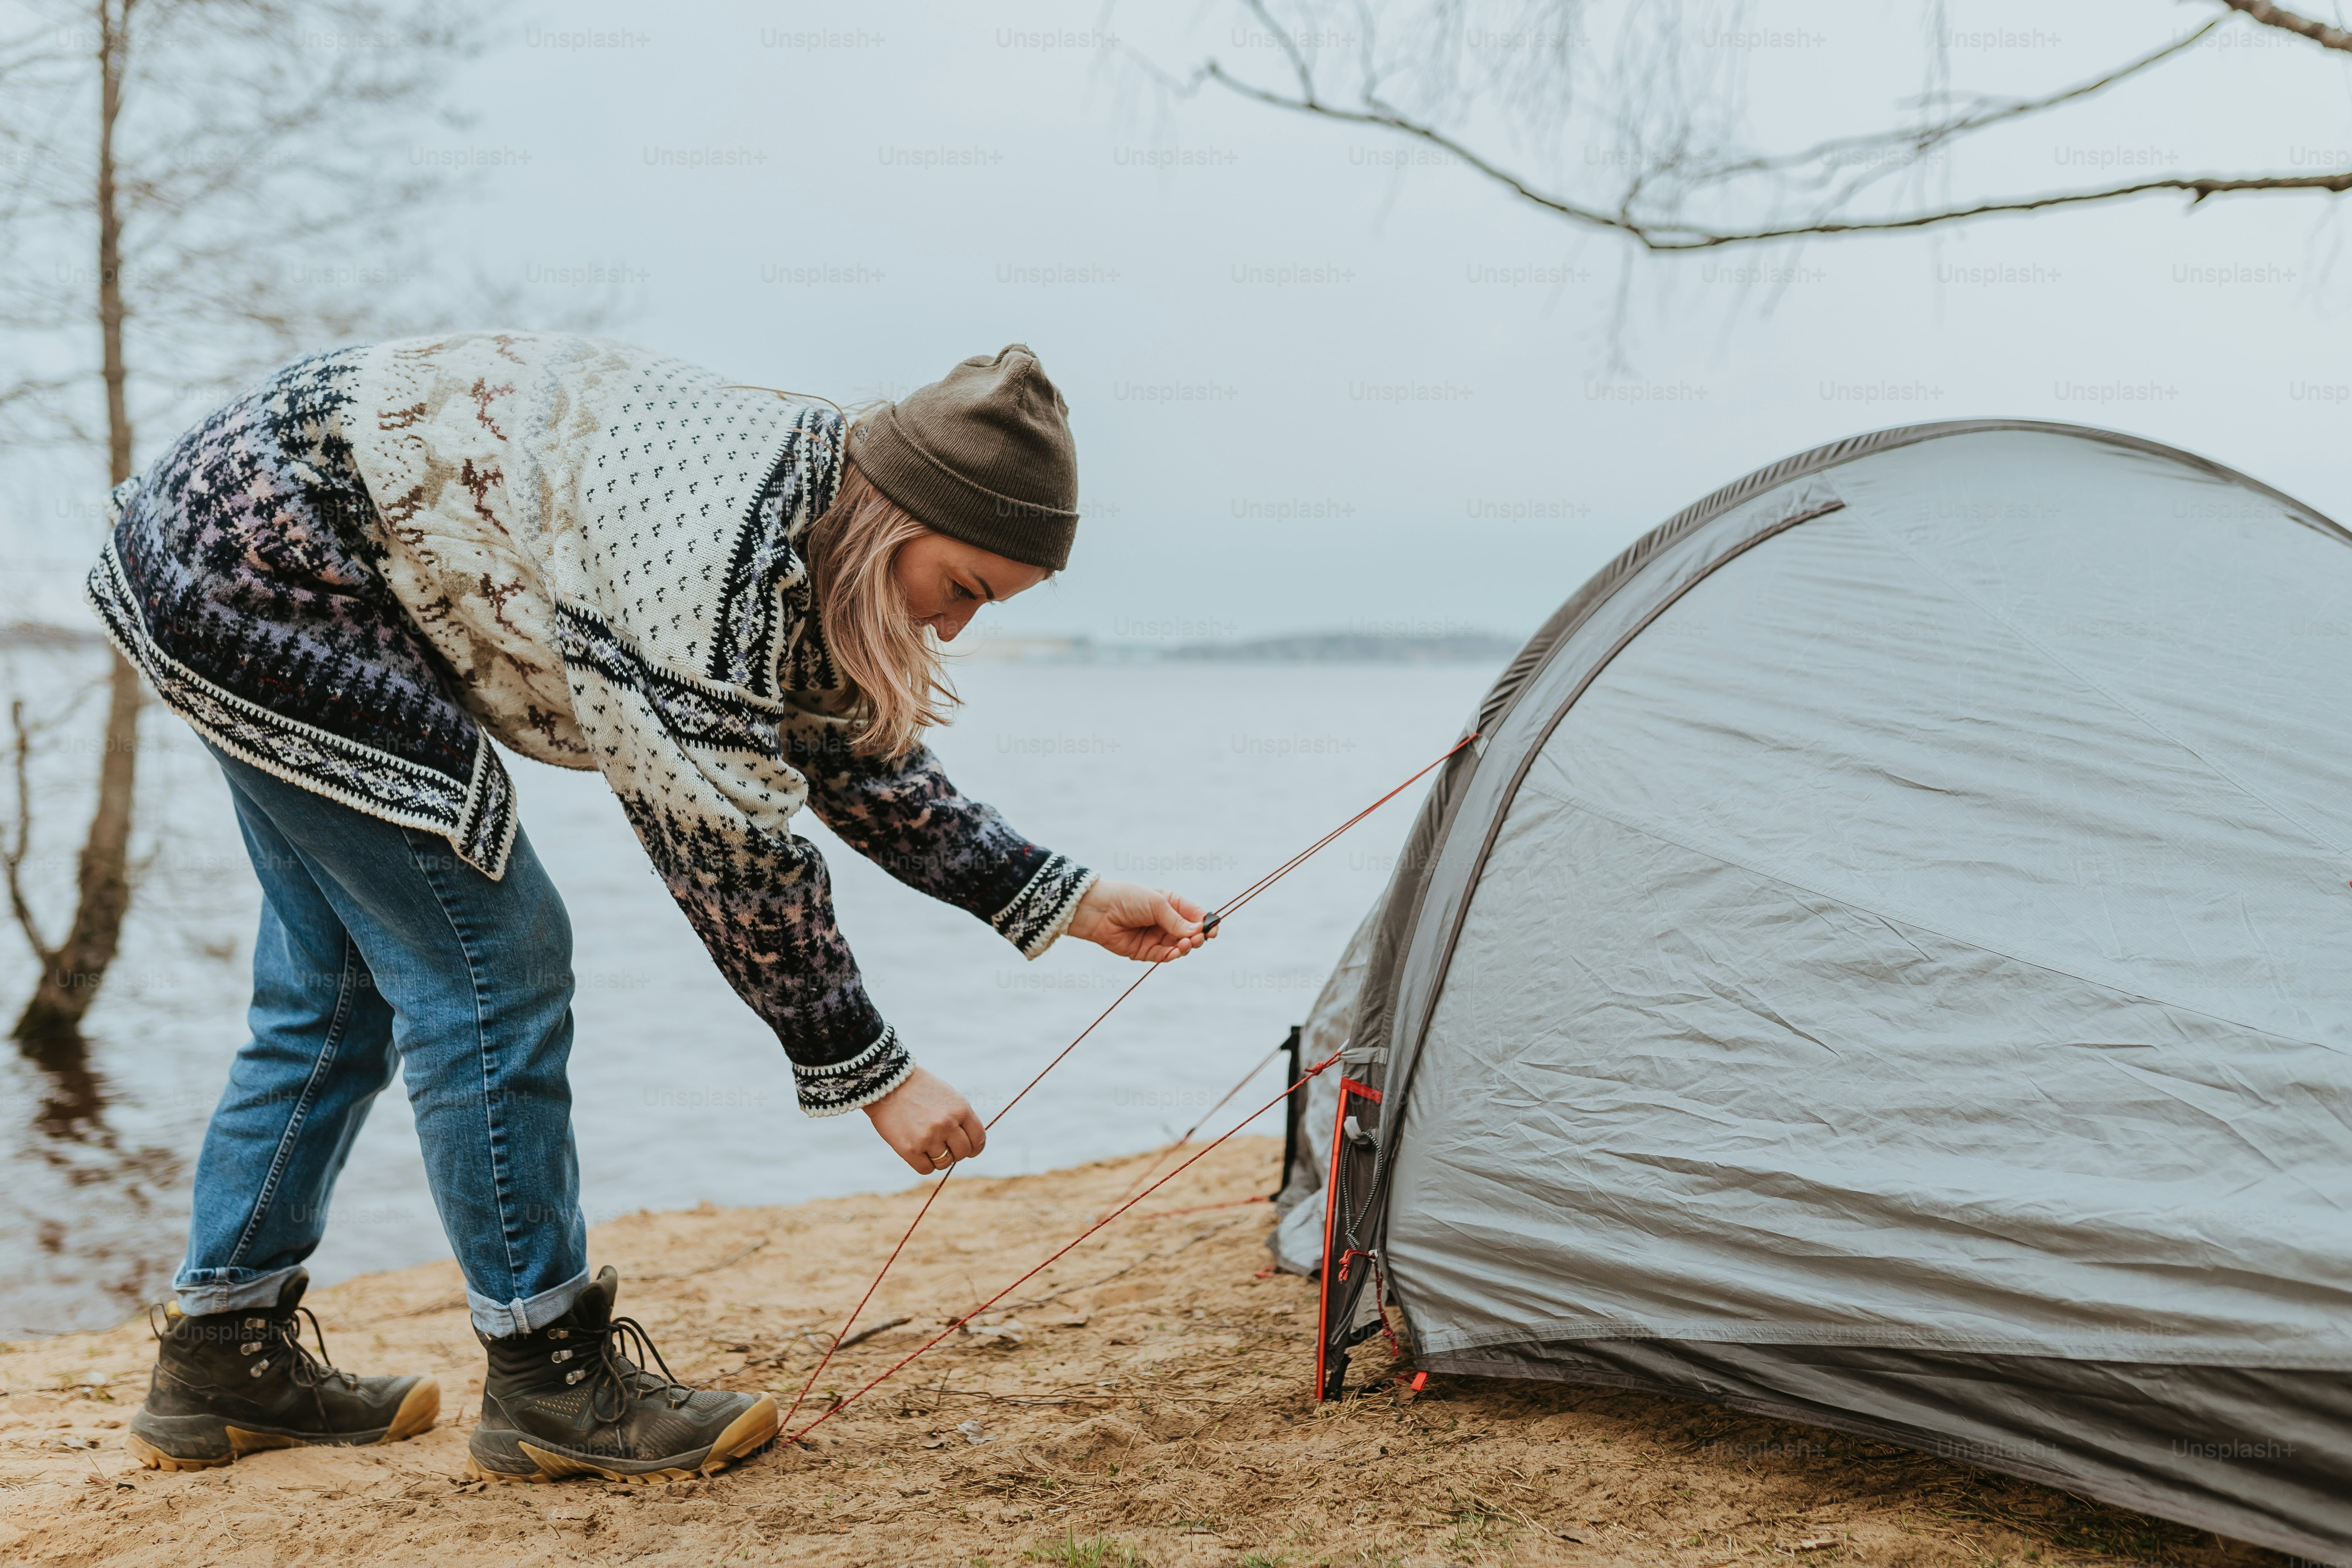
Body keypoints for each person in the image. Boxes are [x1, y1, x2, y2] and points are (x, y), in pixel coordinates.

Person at [86, 335, 1213, 1483]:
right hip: (260, 567)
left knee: (336, 983)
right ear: (894, 516)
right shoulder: (718, 555)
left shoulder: (817, 521)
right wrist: (875, 1073)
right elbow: (727, 851)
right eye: (961, 588)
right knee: (494, 963)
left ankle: (221, 1356)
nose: (956, 628)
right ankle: (547, 1377)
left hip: (232, 540)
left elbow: (857, 763)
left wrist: (1066, 898)